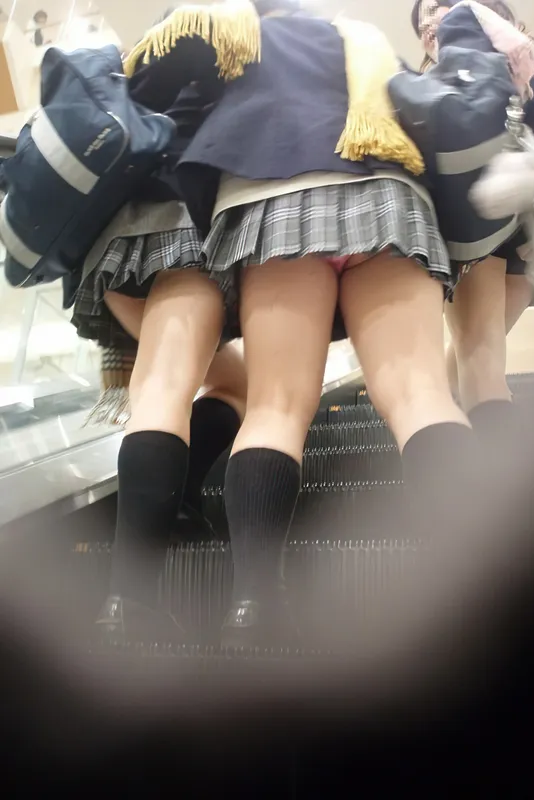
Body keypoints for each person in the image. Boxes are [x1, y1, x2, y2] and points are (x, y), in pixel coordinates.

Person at [123, 0, 478, 650]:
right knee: (420, 393)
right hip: (386, 188)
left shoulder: (233, 34)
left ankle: (254, 606)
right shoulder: (360, 37)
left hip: (272, 195)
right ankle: (475, 595)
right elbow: (424, 108)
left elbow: (156, 100)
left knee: (276, 406)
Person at [71, 56, 245, 642]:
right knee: (166, 390)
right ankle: (130, 599)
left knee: (232, 381)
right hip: (176, 230)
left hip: (115, 250)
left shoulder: (145, 64)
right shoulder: (222, 58)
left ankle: (180, 496)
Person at [411, 0, 534, 439]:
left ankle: (469, 463)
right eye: (422, 25)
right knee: (480, 353)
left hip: (480, 229)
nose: (429, 27)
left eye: (437, 12)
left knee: (479, 362)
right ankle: (448, 428)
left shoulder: (450, 82)